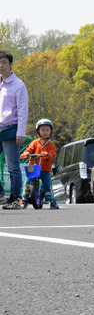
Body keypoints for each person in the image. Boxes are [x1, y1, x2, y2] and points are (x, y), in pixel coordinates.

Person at [0, 51, 28, 209]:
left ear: (10, 64)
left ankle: (15, 198)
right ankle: (1, 195)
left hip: (11, 128)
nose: (1, 66)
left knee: (13, 166)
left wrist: (21, 133)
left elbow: (23, 111)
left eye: (4, 62)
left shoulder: (18, 85)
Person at [20, 119, 58, 209]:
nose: (45, 132)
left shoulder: (51, 145)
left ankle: (52, 201)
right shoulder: (35, 143)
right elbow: (28, 150)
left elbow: (52, 155)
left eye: (47, 130)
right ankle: (24, 199)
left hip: (45, 169)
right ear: (38, 131)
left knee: (47, 186)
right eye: (43, 130)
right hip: (33, 168)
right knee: (27, 183)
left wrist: (47, 155)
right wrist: (26, 154)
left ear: (51, 131)